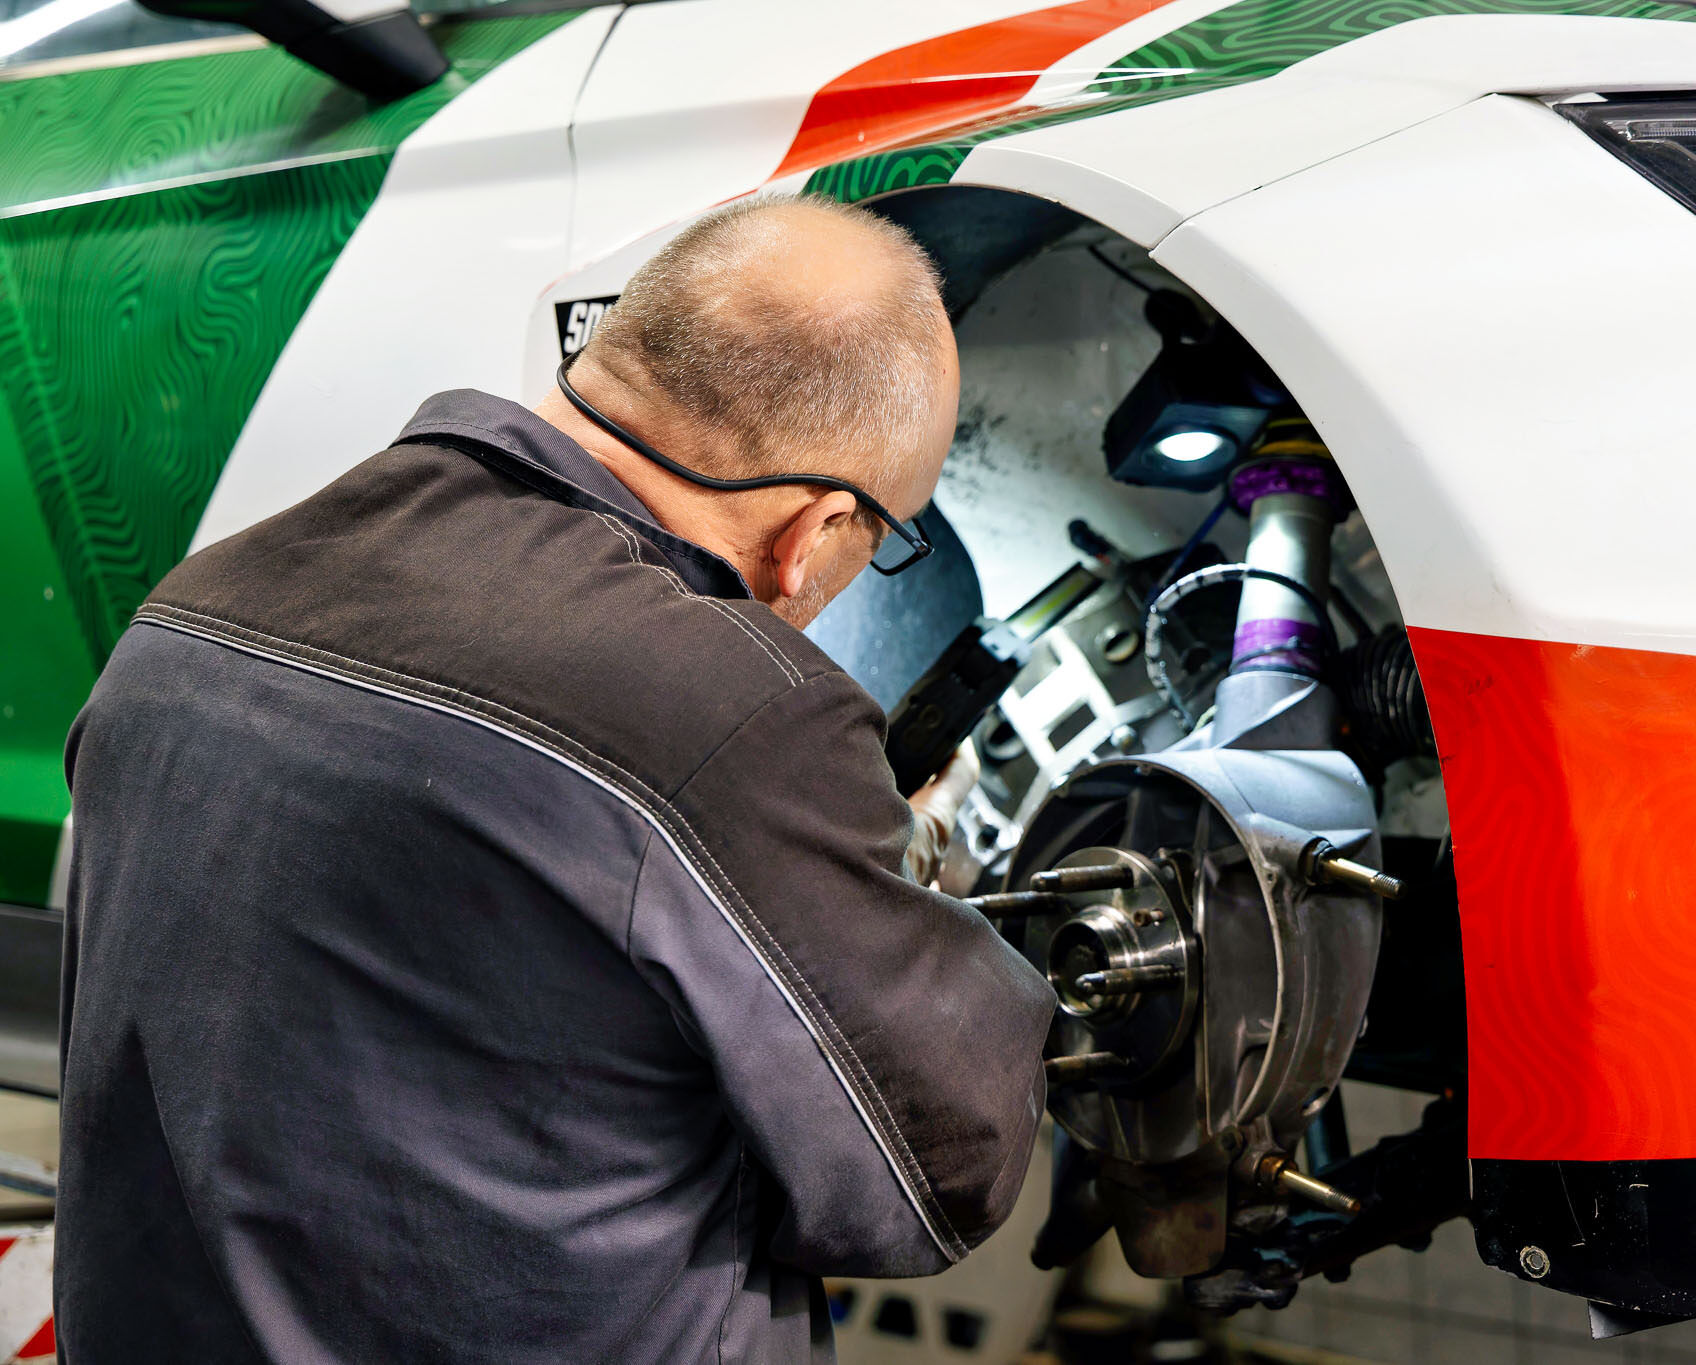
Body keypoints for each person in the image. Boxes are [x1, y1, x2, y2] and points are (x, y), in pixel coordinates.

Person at [55, 195, 1055, 1363]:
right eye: (881, 539)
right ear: (817, 528)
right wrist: (903, 903)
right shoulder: (731, 707)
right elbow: (937, 1169)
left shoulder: (197, 604)